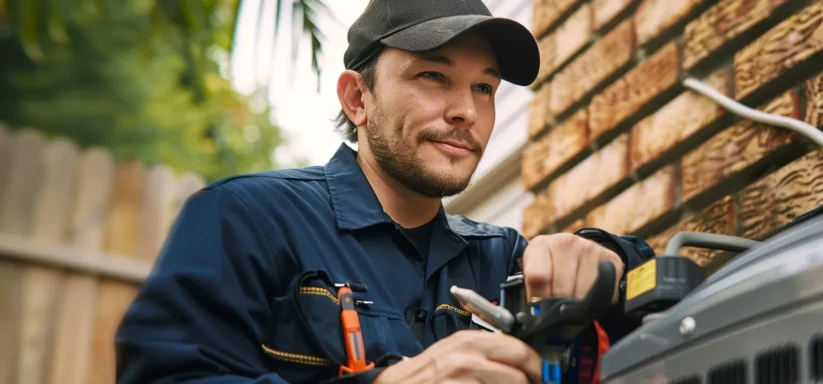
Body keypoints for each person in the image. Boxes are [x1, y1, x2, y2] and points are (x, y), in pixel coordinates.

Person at [114, 0, 655, 383]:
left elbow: (665, 301)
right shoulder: (245, 218)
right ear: (357, 98)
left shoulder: (507, 261)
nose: (466, 110)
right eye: (433, 77)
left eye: (484, 87)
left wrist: (604, 259)